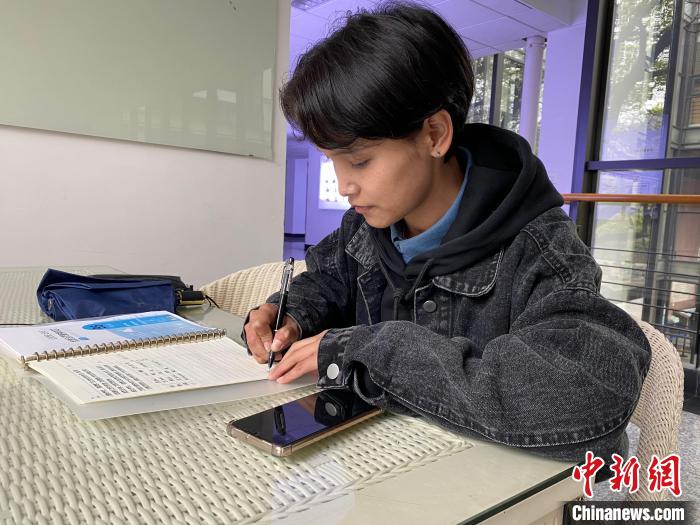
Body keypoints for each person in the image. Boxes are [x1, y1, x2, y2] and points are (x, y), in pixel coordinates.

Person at [243, 1, 651, 462]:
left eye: (359, 161)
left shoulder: (539, 248)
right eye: (332, 161)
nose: (344, 186)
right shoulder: (364, 227)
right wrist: (290, 314)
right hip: (378, 466)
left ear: (435, 134)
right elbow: (327, 282)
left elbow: (587, 398)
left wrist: (371, 351)